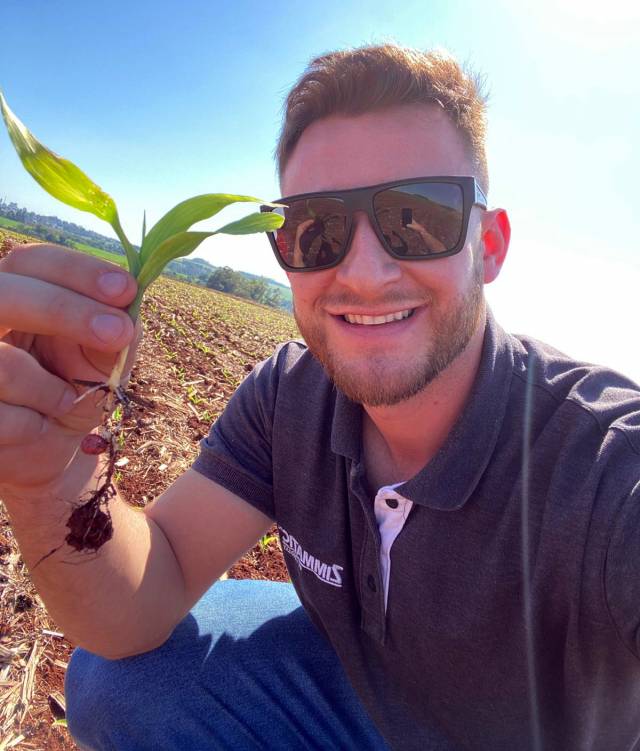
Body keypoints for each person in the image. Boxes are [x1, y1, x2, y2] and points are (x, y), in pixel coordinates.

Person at [0, 43, 639, 751]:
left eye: (417, 217)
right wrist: (48, 474)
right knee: (116, 682)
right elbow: (147, 591)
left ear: (486, 245)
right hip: (364, 692)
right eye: (316, 230)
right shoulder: (290, 395)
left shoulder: (605, 465)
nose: (363, 273)